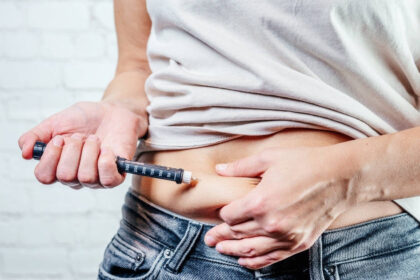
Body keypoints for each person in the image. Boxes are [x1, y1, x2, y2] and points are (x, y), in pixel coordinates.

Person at [18, 0, 420, 279]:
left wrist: (346, 179)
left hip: (361, 256)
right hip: (156, 246)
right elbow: (138, 65)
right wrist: (120, 109)